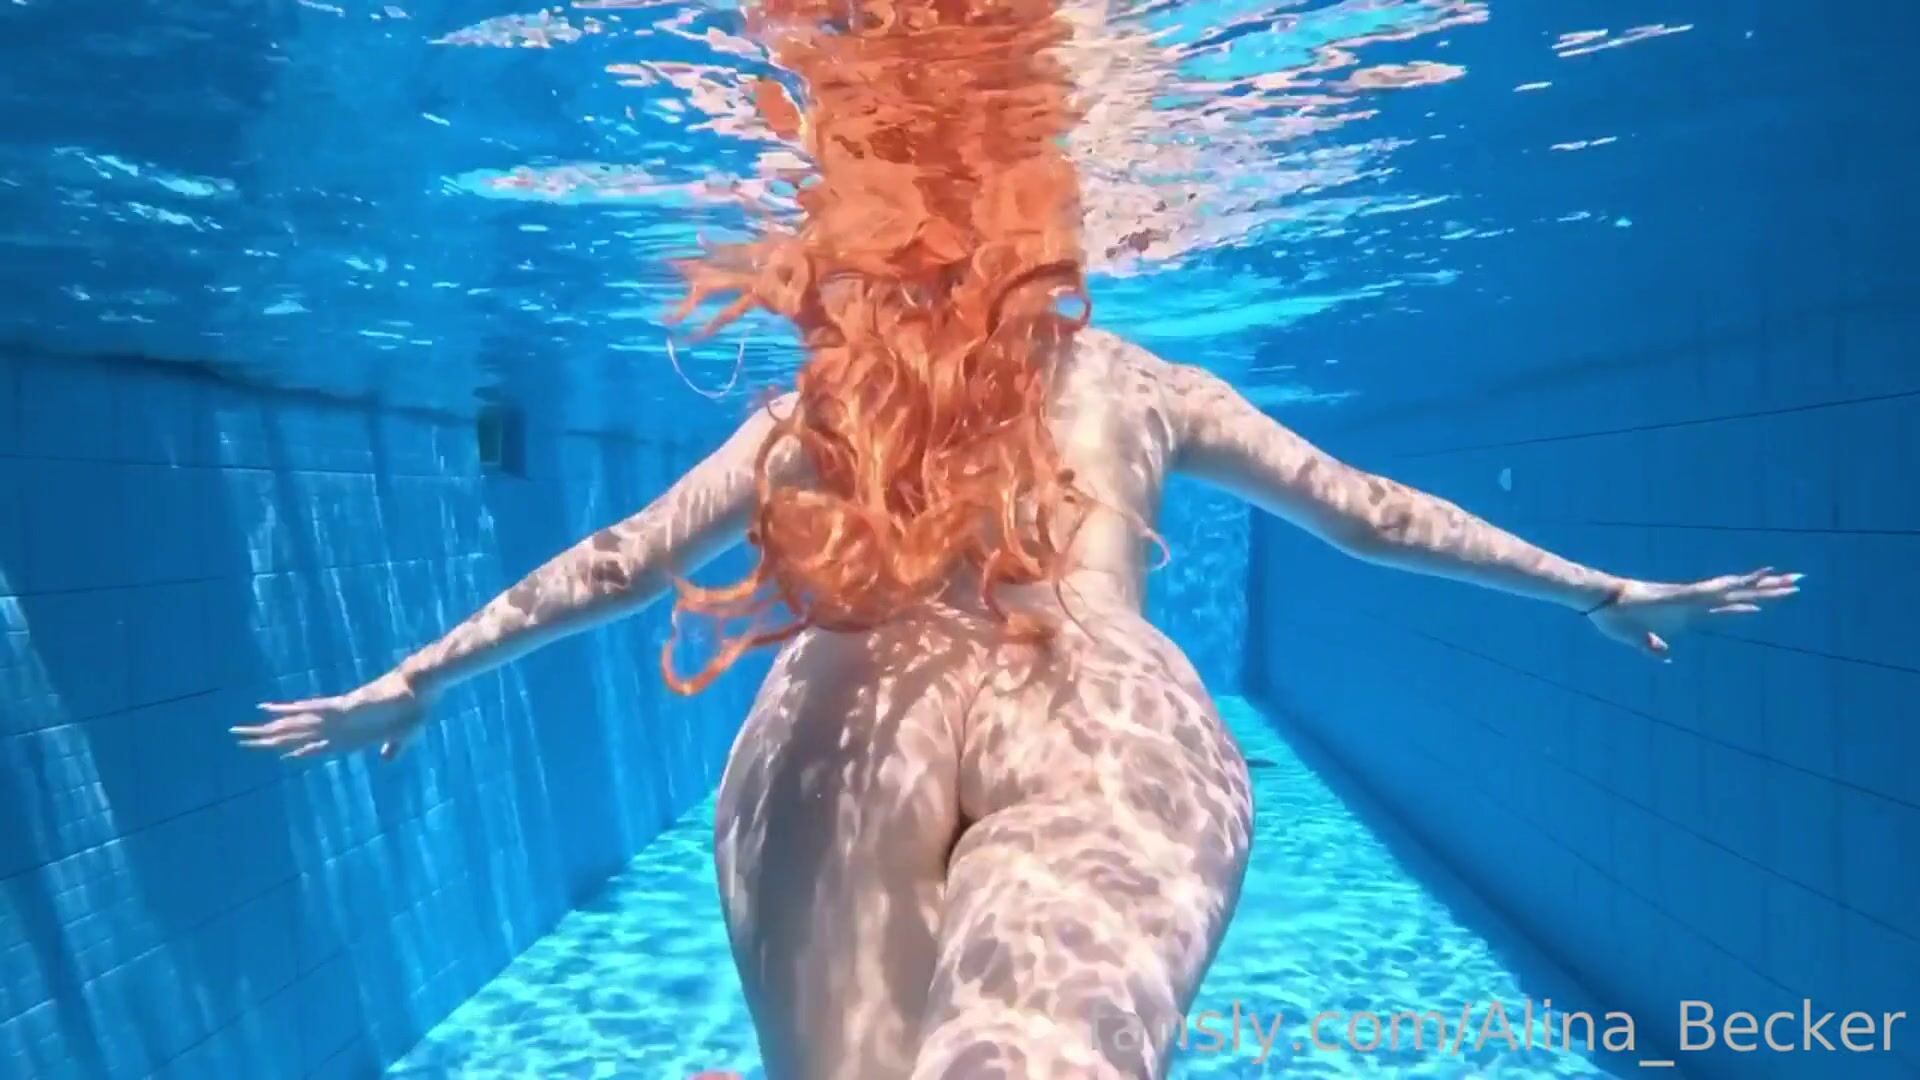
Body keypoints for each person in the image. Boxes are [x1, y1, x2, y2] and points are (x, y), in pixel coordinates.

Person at [232, 1, 1801, 1077]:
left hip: (842, 720)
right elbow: (1368, 516)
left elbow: (624, 565)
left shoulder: (824, 399)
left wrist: (417, 677)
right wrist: (1592, 588)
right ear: (1054, 241)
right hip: (1098, 713)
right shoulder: (1144, 384)